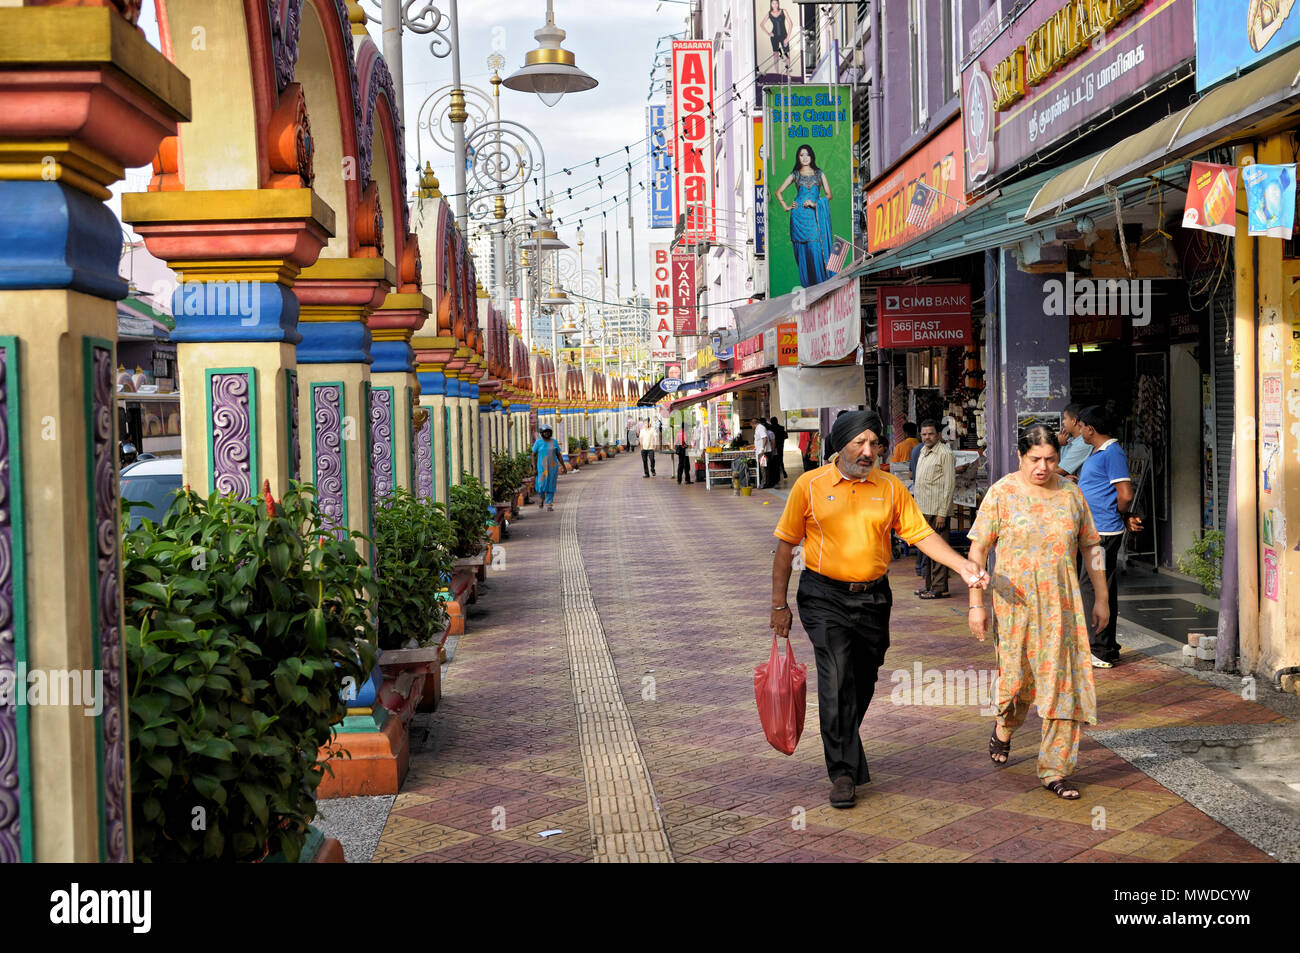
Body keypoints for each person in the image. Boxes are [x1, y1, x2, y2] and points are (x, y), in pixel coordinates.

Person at [770, 410, 989, 808]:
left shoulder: (889, 487)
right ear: (841, 446)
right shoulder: (810, 485)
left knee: (865, 676)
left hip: (873, 597)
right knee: (836, 677)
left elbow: (920, 533)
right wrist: (778, 604)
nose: (869, 451)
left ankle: (843, 739)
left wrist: (962, 566)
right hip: (823, 596)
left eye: (875, 444)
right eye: (860, 443)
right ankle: (843, 772)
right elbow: (785, 547)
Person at [967, 425, 1110, 800]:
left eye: (1050, 459)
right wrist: (975, 605)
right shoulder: (1003, 493)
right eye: (1035, 459)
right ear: (1020, 456)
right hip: (1013, 607)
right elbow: (978, 552)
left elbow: (1091, 548)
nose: (1043, 467)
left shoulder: (1071, 495)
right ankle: (1004, 727)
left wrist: (1102, 597)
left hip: (1062, 609)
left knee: (1063, 684)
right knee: (1017, 683)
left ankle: (1055, 769)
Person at [1075, 405, 1143, 668]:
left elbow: (1124, 494)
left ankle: (1100, 649)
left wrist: (1123, 515)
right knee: (1099, 586)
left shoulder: (1112, 452)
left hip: (1102, 532)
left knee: (1094, 588)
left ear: (1090, 429)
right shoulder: (1099, 451)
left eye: (1081, 426)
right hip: (1095, 530)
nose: (1079, 430)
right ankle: (1107, 645)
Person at [775, 145, 834, 288]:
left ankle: (821, 286)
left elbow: (829, 195)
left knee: (815, 249)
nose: (805, 157)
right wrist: (787, 207)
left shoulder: (819, 173)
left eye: (807, 154)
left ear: (812, 156)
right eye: (801, 155)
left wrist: (815, 203)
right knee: (803, 253)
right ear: (798, 157)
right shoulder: (795, 174)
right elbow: (778, 192)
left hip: (814, 216)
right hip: (798, 218)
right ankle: (808, 287)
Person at [912, 419, 956, 600]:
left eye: (930, 433)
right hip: (923, 508)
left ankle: (939, 588)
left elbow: (949, 484)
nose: (927, 437)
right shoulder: (923, 451)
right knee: (928, 551)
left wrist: (942, 513)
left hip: (937, 510)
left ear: (938, 434)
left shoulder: (944, 453)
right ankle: (929, 585)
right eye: (924, 434)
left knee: (939, 550)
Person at [1055, 404, 1092, 482]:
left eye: (1065, 418)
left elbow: (1058, 472)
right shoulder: (1068, 440)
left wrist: (1057, 445)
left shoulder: (1083, 443)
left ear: (1074, 421)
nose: (1062, 422)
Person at [531, 426, 563, 512]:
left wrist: (563, 466)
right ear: (542, 433)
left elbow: (559, 455)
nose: (547, 434)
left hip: (553, 468)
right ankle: (542, 498)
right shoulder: (538, 443)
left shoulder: (554, 442)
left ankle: (549, 504)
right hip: (541, 468)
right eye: (545, 432)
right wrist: (534, 468)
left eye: (548, 432)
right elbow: (533, 455)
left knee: (551, 485)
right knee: (541, 484)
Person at [759, 0, 793, 72]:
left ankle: (788, 74)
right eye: (773, 3)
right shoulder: (769, 13)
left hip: (784, 36)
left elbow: (791, 24)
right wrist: (768, 33)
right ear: (771, 4)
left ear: (778, 4)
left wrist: (787, 38)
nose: (775, 5)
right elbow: (761, 24)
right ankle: (777, 74)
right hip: (774, 37)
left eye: (776, 3)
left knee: (786, 54)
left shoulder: (783, 11)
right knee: (776, 55)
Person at [768, 416, 789, 485]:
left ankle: (776, 475)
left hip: (773, 447)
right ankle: (783, 472)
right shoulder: (781, 427)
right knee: (780, 459)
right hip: (780, 446)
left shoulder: (770, 428)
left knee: (774, 461)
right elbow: (786, 436)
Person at [752, 418, 771, 488]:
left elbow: (765, 438)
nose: (752, 427)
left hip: (763, 452)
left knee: (763, 468)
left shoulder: (760, 428)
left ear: (753, 424)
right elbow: (759, 440)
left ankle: (764, 483)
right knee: (763, 468)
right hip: (760, 450)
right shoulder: (759, 428)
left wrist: (762, 448)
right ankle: (764, 483)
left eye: (751, 425)